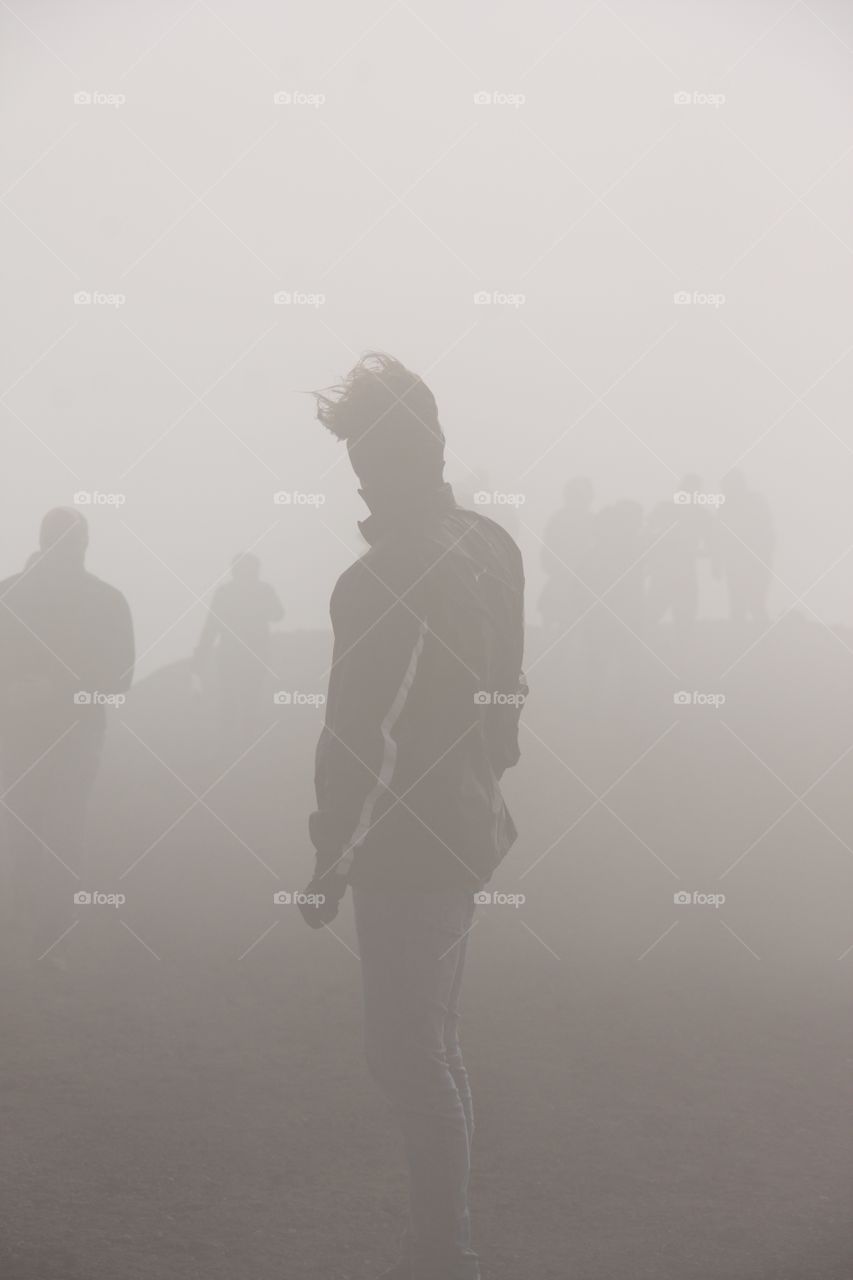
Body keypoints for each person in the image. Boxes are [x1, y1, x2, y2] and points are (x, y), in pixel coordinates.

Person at [299, 353, 527, 1280]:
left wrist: (329, 857)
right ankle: (448, 1239)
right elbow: (507, 701)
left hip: (405, 840)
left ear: (381, 462)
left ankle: (445, 1252)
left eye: (360, 455)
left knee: (405, 1057)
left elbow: (361, 735)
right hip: (469, 823)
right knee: (433, 1042)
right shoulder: (488, 545)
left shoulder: (382, 575)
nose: (354, 473)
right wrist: (485, 774)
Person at [0, 507, 134, 960]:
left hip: (17, 731)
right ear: (85, 544)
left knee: (21, 824)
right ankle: (51, 930)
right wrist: (71, 689)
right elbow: (121, 675)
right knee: (63, 827)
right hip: (77, 731)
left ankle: (19, 920)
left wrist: (21, 692)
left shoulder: (7, 595)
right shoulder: (107, 599)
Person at [193, 553, 283, 738]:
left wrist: (202, 651)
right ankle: (241, 736)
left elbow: (211, 625)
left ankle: (233, 738)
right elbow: (278, 614)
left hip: (235, 653)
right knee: (246, 696)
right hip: (251, 652)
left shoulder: (227, 592)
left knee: (234, 696)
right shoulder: (262, 590)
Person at [712, 470, 774, 625]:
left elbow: (766, 530)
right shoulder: (726, 508)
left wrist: (717, 562)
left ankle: (760, 639)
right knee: (739, 605)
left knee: (754, 603)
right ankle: (744, 640)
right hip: (739, 563)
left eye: (727, 486)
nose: (725, 490)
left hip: (754, 561)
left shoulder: (754, 502)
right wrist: (717, 562)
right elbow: (720, 536)